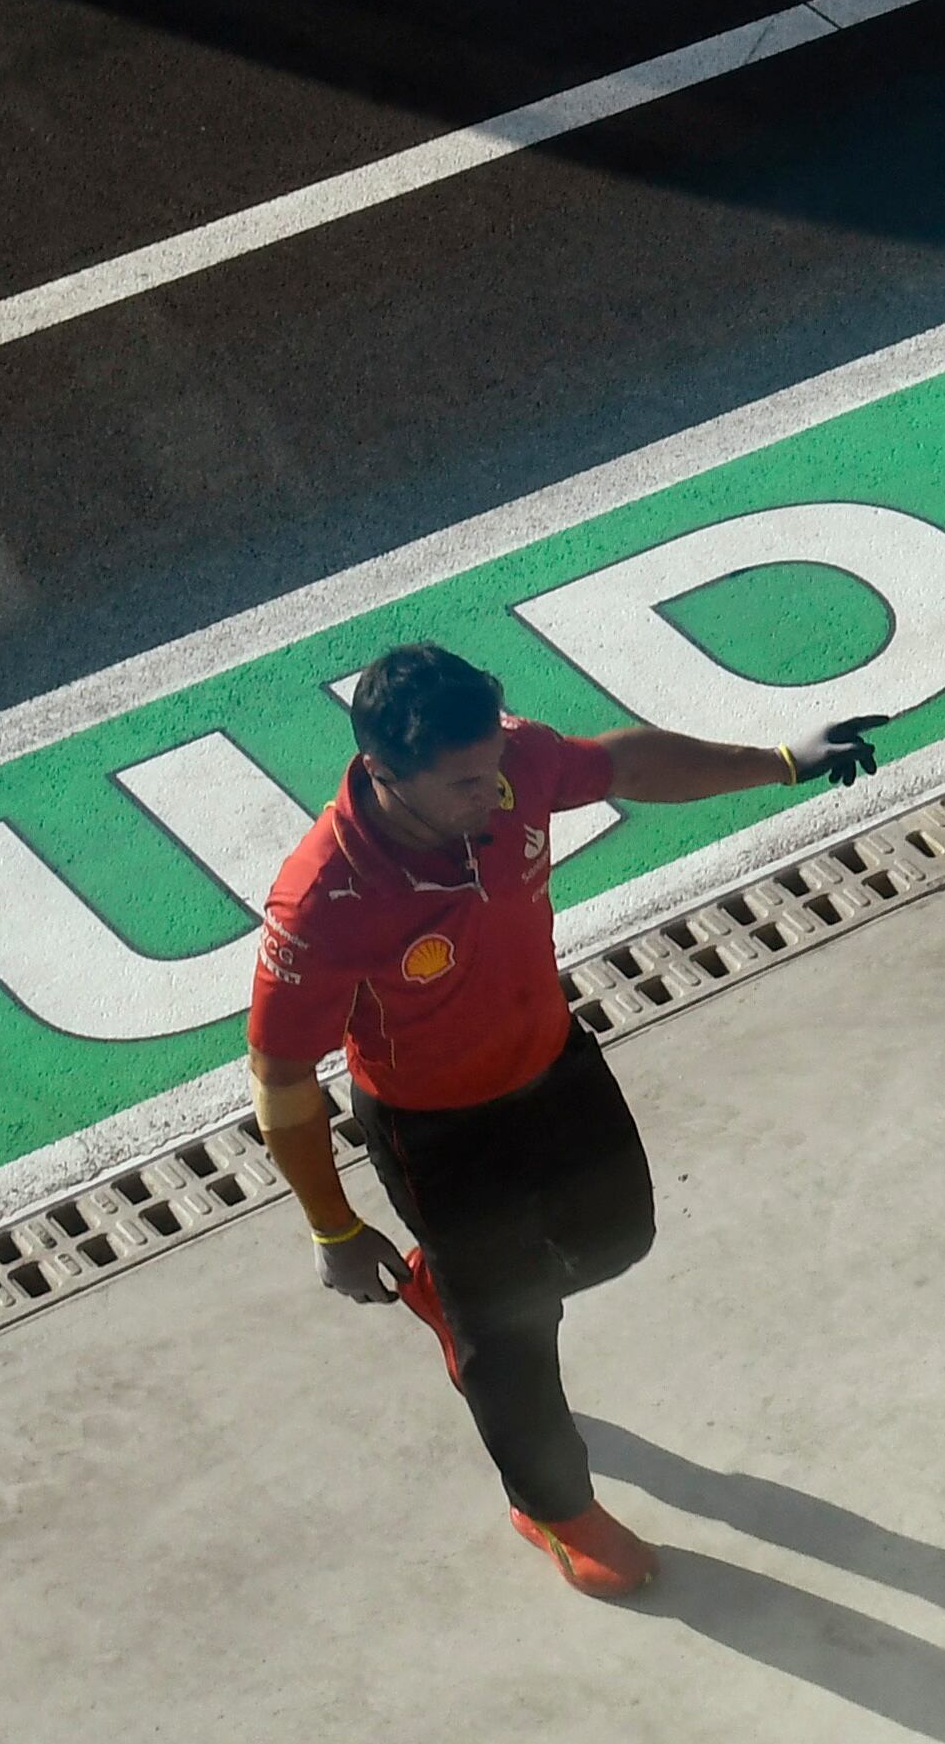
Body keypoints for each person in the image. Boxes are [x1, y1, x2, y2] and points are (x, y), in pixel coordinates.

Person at [246, 644, 888, 1599]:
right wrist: (332, 1228)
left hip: (552, 1065)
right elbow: (283, 1077)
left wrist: (780, 761)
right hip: (437, 1133)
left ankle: (456, 1294)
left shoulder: (508, 763)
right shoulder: (323, 902)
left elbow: (623, 763)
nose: (495, 793)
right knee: (511, 1336)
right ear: (383, 775)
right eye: (467, 783)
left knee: (618, 1237)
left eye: (497, 768)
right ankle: (552, 1504)